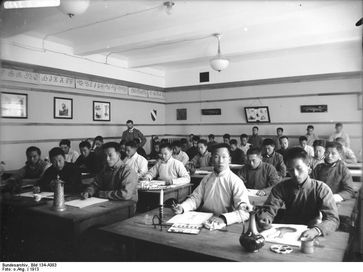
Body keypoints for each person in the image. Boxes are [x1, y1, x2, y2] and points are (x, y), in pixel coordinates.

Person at [256, 147, 339, 239]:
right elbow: (269, 209)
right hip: (286, 230)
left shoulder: (321, 189)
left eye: (299, 168)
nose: (295, 174)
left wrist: (316, 230)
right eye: (291, 170)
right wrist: (265, 218)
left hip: (312, 231)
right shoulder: (281, 187)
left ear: (309, 167)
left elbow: (332, 219)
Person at [173, 143, 252, 225]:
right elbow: (195, 198)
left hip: (223, 222)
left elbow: (245, 212)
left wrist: (224, 218)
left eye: (224, 157)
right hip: (204, 219)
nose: (220, 161)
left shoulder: (235, 181)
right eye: (216, 157)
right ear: (212, 160)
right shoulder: (207, 178)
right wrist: (183, 207)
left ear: (229, 159)